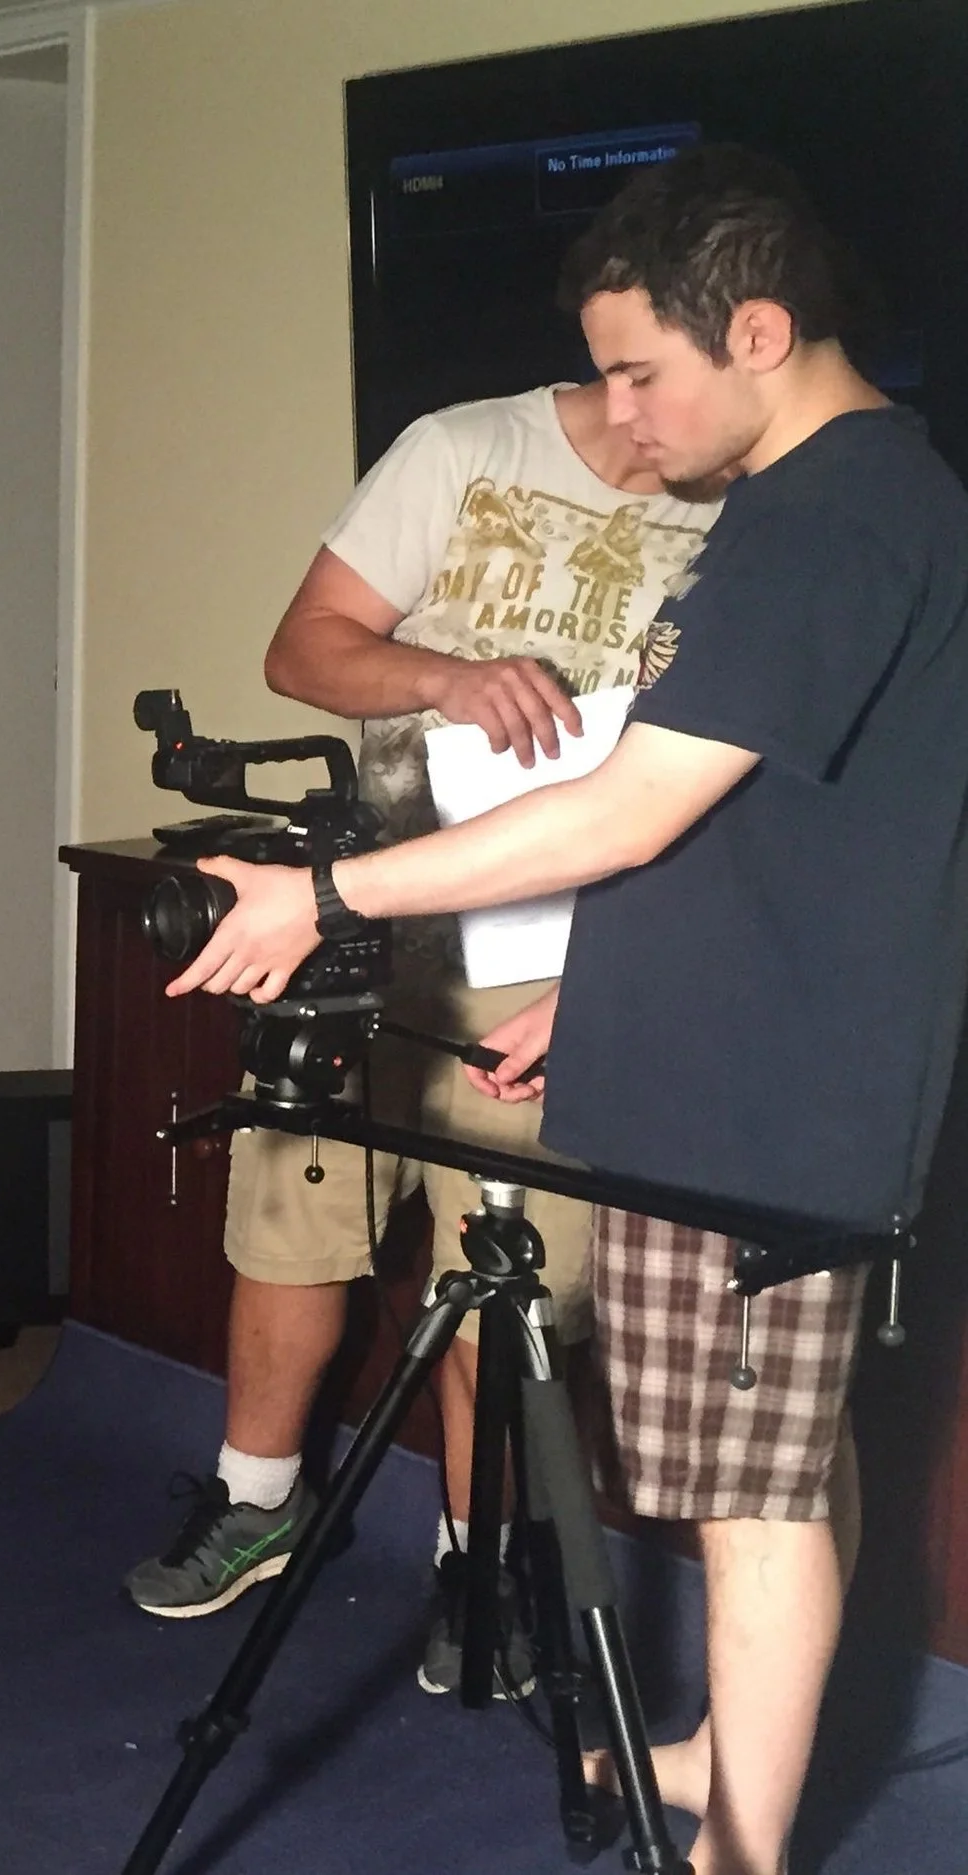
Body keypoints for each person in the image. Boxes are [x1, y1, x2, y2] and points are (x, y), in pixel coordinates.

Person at [163, 146, 968, 1875]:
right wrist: (600, 1007)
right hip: (706, 1071)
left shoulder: (834, 514)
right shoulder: (817, 505)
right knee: (749, 1480)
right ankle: (709, 1758)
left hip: (760, 1126)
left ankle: (738, 1849)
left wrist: (323, 897)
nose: (616, 413)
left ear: (758, 331)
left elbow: (629, 808)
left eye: (639, 371)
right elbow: (763, 835)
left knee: (755, 1508)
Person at [118, 379, 721, 1708]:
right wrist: (453, 677)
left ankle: (476, 1561)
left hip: (559, 963)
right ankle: (253, 1498)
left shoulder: (749, 504)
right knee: (287, 1222)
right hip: (362, 918)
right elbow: (304, 651)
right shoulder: (462, 448)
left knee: (506, 1283)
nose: (637, 395)